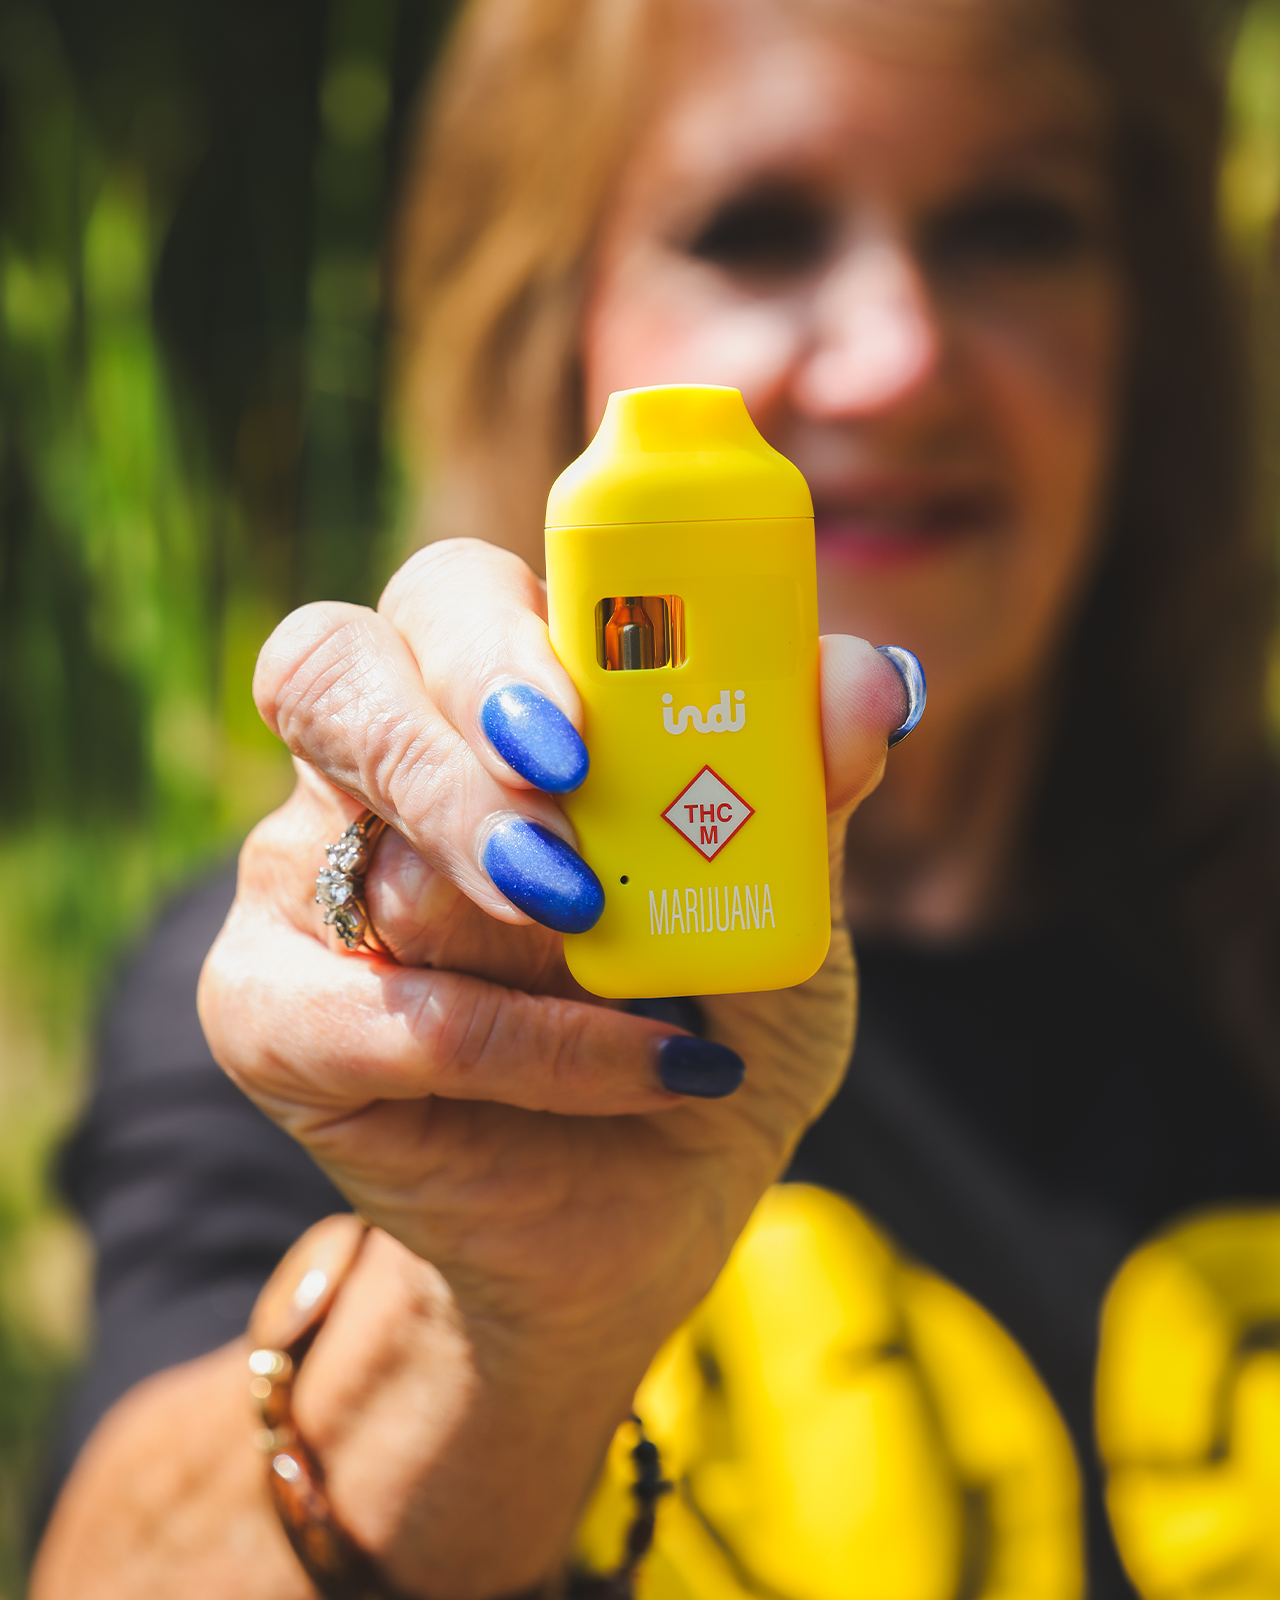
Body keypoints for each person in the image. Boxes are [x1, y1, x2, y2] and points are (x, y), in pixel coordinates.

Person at [30, 0, 1280, 1596]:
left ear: (1148, 331)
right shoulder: (373, 989)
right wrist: (491, 1319)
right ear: (552, 319)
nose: (898, 356)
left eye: (1012, 227)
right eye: (753, 230)